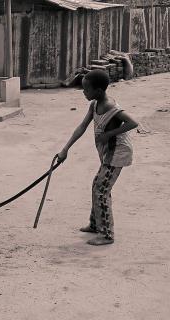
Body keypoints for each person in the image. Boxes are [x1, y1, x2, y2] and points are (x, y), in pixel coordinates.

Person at [57, 69, 138, 246]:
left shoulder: (110, 107)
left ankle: (107, 234)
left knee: (101, 189)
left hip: (117, 153)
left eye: (86, 89)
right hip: (107, 152)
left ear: (99, 91)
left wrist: (110, 135)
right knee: (97, 185)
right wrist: (65, 149)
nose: (84, 92)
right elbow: (82, 127)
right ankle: (95, 224)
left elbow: (133, 122)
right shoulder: (94, 105)